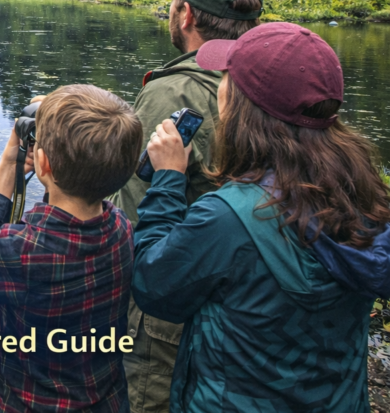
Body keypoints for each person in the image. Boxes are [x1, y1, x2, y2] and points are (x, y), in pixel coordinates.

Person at [132, 22, 390, 412]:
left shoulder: (229, 218)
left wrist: (168, 179)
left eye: (225, 78)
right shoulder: (363, 193)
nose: (218, 84)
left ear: (242, 103)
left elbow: (154, 285)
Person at [109, 0, 263, 413]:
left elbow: (135, 210)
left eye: (173, 1)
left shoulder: (173, 91)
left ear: (186, 12)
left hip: (169, 300)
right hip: (247, 298)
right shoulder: (272, 81)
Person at [0, 85, 143, 412]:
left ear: (43, 164)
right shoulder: (121, 228)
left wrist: (9, 162)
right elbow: (74, 196)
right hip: (107, 401)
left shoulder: (20, 252)